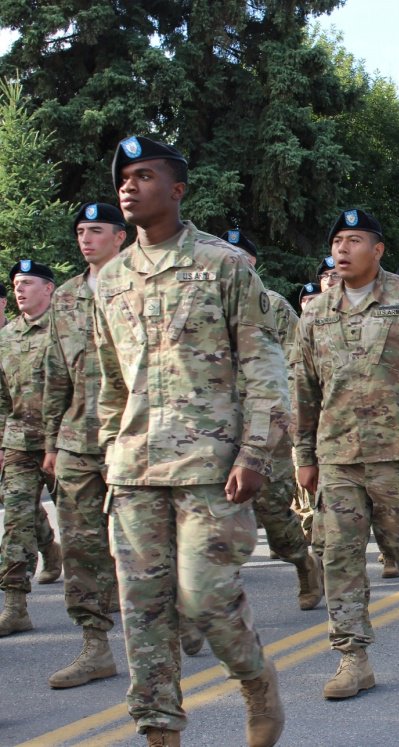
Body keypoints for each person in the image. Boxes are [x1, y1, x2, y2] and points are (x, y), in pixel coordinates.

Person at [94, 136, 285, 746]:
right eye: (124, 177)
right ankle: (160, 732)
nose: (128, 185)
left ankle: (254, 680)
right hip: (133, 472)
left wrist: (257, 451)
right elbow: (109, 378)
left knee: (204, 601)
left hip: (210, 466)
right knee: (143, 615)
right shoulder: (110, 279)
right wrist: (107, 449)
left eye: (144, 175)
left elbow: (263, 367)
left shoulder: (223, 264)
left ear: (176, 190)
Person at [293, 209, 399, 699]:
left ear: (378, 249)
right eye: (337, 242)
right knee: (339, 556)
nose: (342, 250)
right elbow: (303, 389)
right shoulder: (315, 313)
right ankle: (353, 657)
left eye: (354, 240)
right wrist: (304, 453)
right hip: (338, 456)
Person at [41, 203, 126, 688]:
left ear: (120, 237)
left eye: (96, 230)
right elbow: (55, 375)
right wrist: (52, 441)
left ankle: (176, 616)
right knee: (80, 545)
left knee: (144, 546)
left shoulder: (140, 285)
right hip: (77, 439)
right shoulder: (68, 297)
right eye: (79, 231)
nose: (85, 239)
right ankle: (95, 645)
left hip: (133, 439)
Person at [224, 230, 322, 613]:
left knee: (273, 512)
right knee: (215, 515)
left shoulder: (274, 307)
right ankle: (212, 604)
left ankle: (302, 561)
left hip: (266, 425)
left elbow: (295, 368)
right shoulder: (207, 303)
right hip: (218, 426)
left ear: (252, 263)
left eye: (240, 256)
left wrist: (294, 421)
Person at [0, 260, 63, 639]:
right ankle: (15, 606)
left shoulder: (66, 331)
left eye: (28, 283)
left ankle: (107, 586)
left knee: (86, 522)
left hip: (67, 444)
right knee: (15, 519)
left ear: (48, 289)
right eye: (16, 284)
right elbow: (2, 398)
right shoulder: (6, 338)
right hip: (20, 443)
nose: (19, 289)